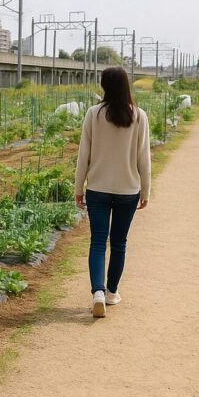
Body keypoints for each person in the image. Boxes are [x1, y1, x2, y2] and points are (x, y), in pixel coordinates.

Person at [74, 67, 151, 318]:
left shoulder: (93, 115)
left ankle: (97, 292)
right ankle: (111, 292)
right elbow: (144, 158)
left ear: (104, 86)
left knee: (98, 241)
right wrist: (146, 190)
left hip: (97, 188)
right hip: (128, 190)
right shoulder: (139, 116)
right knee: (119, 243)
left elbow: (83, 155)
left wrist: (78, 188)